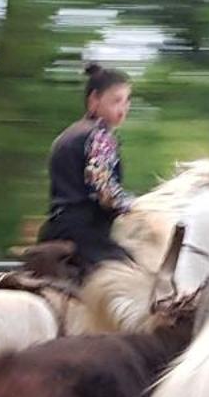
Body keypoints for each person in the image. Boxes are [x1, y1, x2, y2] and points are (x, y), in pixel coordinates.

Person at [38, 62, 136, 275]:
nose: (123, 107)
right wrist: (135, 207)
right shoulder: (101, 136)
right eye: (116, 100)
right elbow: (105, 190)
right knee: (136, 276)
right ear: (94, 100)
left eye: (127, 101)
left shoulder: (65, 136)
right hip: (86, 236)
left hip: (54, 230)